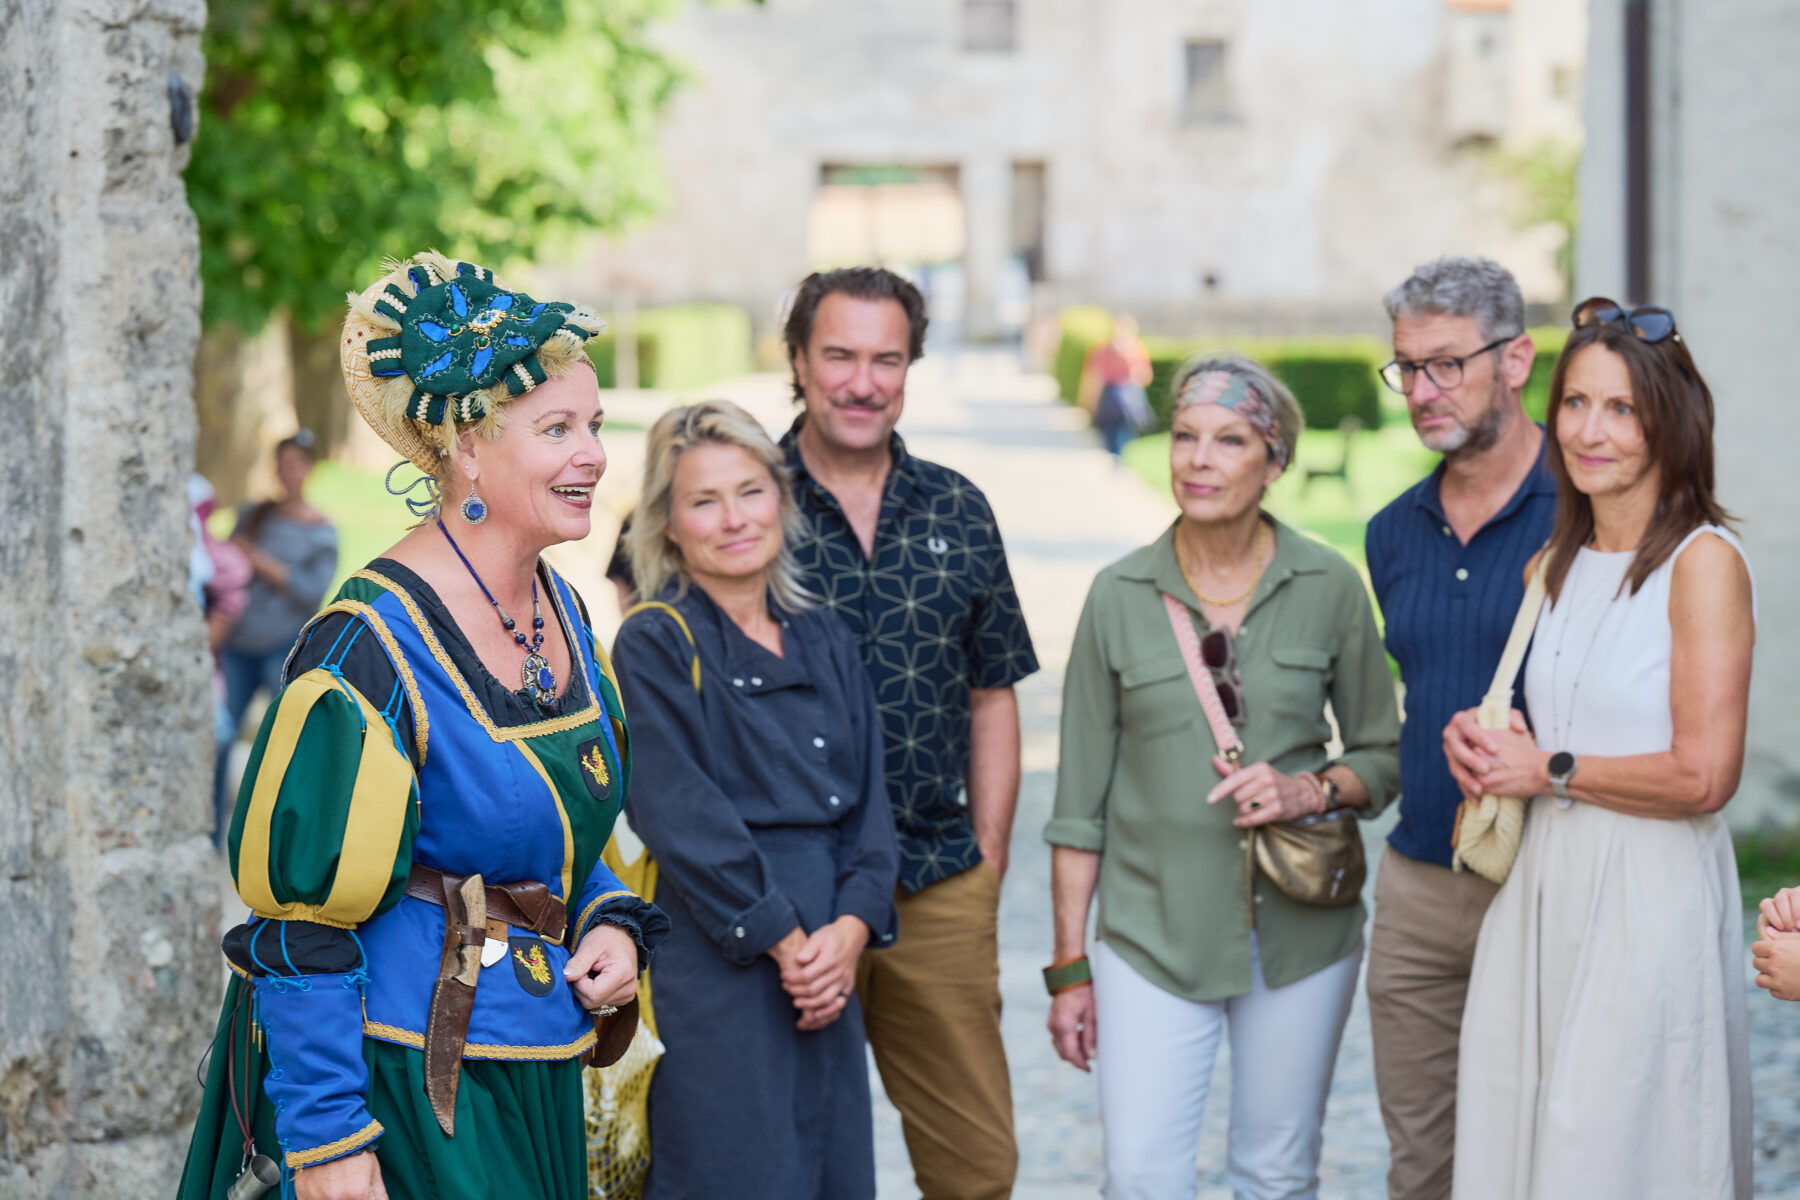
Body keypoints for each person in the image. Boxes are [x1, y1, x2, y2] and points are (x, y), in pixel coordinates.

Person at [178, 252, 666, 1200]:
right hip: (396, 1076)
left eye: (596, 425)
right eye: (558, 428)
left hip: (528, 1064)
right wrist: (326, 1139)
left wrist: (608, 916)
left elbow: (550, 826)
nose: (596, 455)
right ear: (468, 450)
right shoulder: (365, 648)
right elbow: (297, 913)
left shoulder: (560, 610)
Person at [1045, 354, 1401, 1199]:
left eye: (1230, 440)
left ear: (1274, 461)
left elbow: (1383, 760)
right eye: (1186, 436)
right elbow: (1076, 811)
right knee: (1140, 1177)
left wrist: (1307, 790)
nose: (1199, 459)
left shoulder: (1330, 586)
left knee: (1276, 1174)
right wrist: (1069, 970)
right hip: (1150, 935)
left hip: (1302, 934)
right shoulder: (1117, 594)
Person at [1444, 299, 1755, 1198]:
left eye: (1621, 409)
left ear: (1671, 422)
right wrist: (1486, 745)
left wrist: (1548, 771)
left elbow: (1706, 775)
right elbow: (1555, 732)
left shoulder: (1703, 563)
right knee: (1529, 1140)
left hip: (1647, 898)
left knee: (1620, 1146)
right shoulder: (1560, 561)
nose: (1590, 431)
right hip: (1548, 887)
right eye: (1576, 402)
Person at [778, 267, 1039, 1200]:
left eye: (886, 359)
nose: (862, 381)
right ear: (799, 362)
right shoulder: (735, 506)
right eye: (839, 355)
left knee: (978, 1168)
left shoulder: (959, 507)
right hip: (786, 903)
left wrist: (991, 858)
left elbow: (993, 691)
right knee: (788, 1169)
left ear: (911, 367)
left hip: (934, 878)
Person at [612, 399, 901, 1199]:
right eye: (704, 501)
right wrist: (785, 944)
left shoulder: (825, 636)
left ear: (781, 498)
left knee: (830, 1170)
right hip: (722, 952)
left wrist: (846, 933)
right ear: (668, 524)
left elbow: (872, 806)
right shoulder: (656, 639)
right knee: (734, 1170)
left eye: (750, 491)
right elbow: (677, 812)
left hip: (831, 954)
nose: (734, 519)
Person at [1361, 256, 1556, 1199]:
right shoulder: (1391, 530)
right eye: (1407, 368)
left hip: (1550, 873)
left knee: (1554, 1151)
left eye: (1447, 366)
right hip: (1416, 885)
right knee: (1423, 1167)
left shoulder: (1592, 510)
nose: (1422, 392)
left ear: (1515, 360)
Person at [212, 430, 338, 839]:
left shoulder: (323, 531)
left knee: (287, 742)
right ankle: (215, 829)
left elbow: (310, 592)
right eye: (283, 464)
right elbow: (227, 566)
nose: (289, 473)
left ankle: (278, 834)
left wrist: (262, 562)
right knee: (220, 735)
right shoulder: (255, 513)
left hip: (282, 648)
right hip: (238, 644)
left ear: (310, 469)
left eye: (297, 464)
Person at [1081, 314, 1156, 460]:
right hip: (1128, 397)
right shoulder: (1137, 349)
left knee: (1111, 432)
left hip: (1110, 398)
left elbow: (1095, 380)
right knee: (1125, 432)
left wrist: (1090, 404)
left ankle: (1115, 457)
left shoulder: (1101, 350)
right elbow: (1145, 376)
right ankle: (1119, 458)